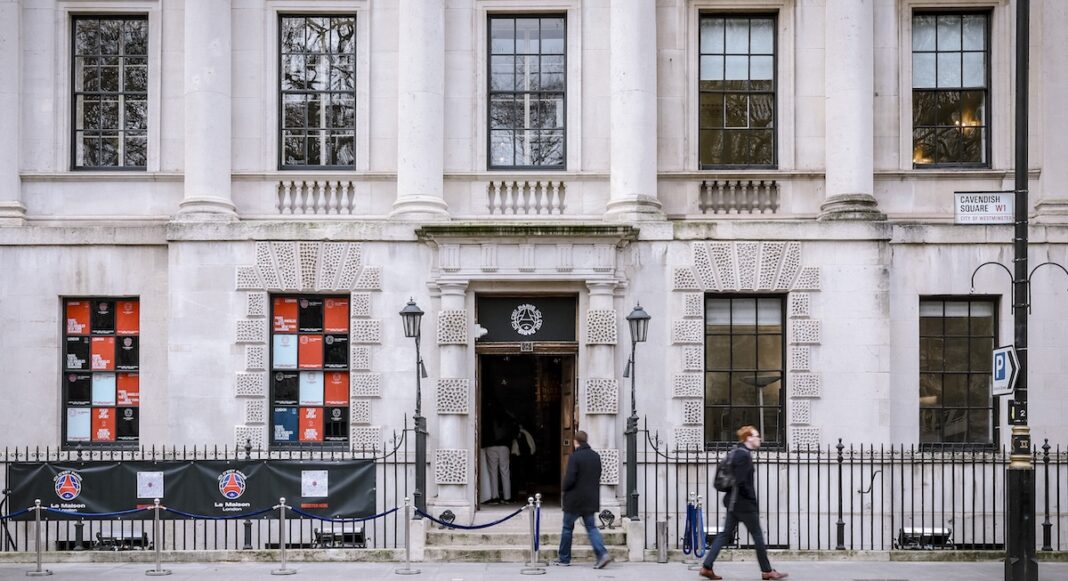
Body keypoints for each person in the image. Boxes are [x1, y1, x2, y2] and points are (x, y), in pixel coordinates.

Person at [699, 426, 787, 581]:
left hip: (734, 503)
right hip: (744, 504)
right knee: (757, 535)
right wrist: (751, 499)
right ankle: (767, 571)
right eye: (756, 436)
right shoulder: (743, 455)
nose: (759, 438)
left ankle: (707, 567)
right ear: (748, 438)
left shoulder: (737, 452)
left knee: (724, 535)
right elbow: (740, 481)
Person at [553, 430, 611, 569]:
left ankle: (564, 558)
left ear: (576, 441)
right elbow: (598, 475)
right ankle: (602, 554)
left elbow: (570, 479)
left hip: (575, 500)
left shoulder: (575, 457)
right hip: (590, 499)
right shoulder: (596, 456)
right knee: (591, 527)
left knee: (567, 528)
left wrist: (563, 488)